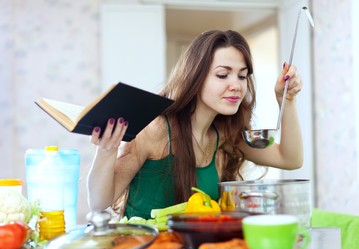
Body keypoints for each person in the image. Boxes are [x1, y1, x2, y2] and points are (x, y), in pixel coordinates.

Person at [87, 30, 303, 219]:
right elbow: (99, 203)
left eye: (242, 76)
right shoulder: (155, 130)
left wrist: (288, 100)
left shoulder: (224, 135)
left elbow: (290, 159)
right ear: (195, 77)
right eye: (222, 75)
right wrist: (106, 152)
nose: (236, 85)